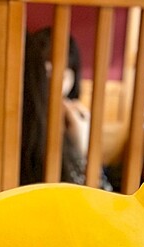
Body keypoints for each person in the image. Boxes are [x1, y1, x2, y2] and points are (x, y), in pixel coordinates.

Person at [19, 28, 113, 190]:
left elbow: (100, 192)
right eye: (48, 74)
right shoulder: (27, 122)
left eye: (64, 76)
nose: (56, 85)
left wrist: (82, 146)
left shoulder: (76, 117)